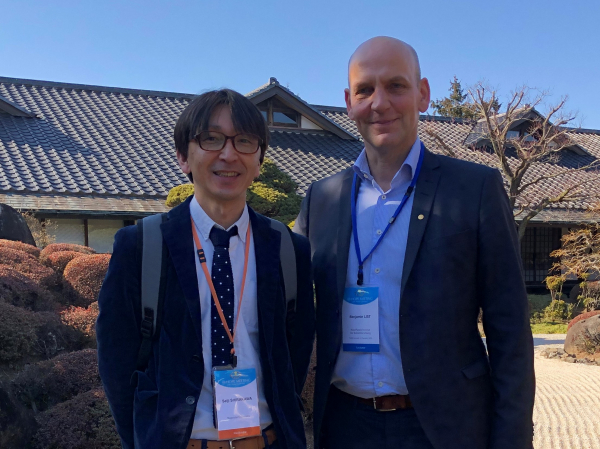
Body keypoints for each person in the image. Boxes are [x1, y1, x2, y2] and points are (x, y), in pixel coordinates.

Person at [294, 37, 535, 449]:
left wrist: (511, 439)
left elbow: (509, 328)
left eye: (396, 86)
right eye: (365, 90)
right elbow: (293, 313)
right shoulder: (322, 198)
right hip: (344, 426)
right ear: (349, 102)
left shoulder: (474, 189)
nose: (380, 103)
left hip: (444, 427)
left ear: (423, 94)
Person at [97, 89, 315, 449]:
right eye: (211, 139)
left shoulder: (289, 250)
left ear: (259, 159)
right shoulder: (141, 246)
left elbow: (295, 353)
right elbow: (116, 362)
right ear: (183, 156)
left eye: (244, 141)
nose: (228, 154)